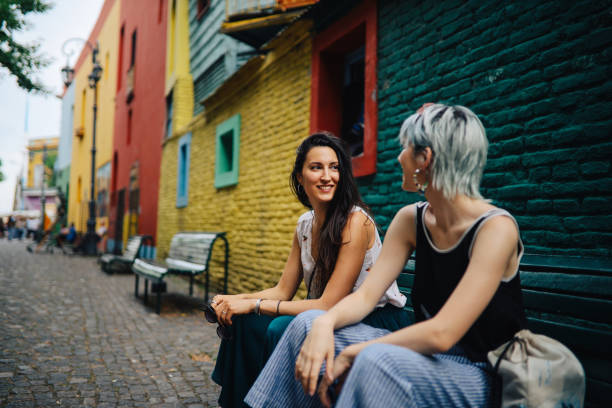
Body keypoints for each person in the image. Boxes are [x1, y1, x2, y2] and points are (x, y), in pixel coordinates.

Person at [245, 104, 526, 408]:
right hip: (428, 360)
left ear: (425, 159)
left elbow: (443, 333)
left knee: (376, 360)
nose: (399, 157)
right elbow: (365, 297)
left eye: (406, 148)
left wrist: (356, 350)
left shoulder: (496, 228)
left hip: (484, 372)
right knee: (308, 323)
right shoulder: (410, 219)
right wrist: (325, 324)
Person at [210, 132, 407, 407]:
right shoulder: (305, 224)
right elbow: (283, 291)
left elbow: (329, 304)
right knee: (244, 322)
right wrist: (236, 301)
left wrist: (253, 304)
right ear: (300, 177)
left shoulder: (355, 222)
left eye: (334, 167)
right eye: (316, 167)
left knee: (278, 327)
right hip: (329, 313)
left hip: (374, 317)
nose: (327, 176)